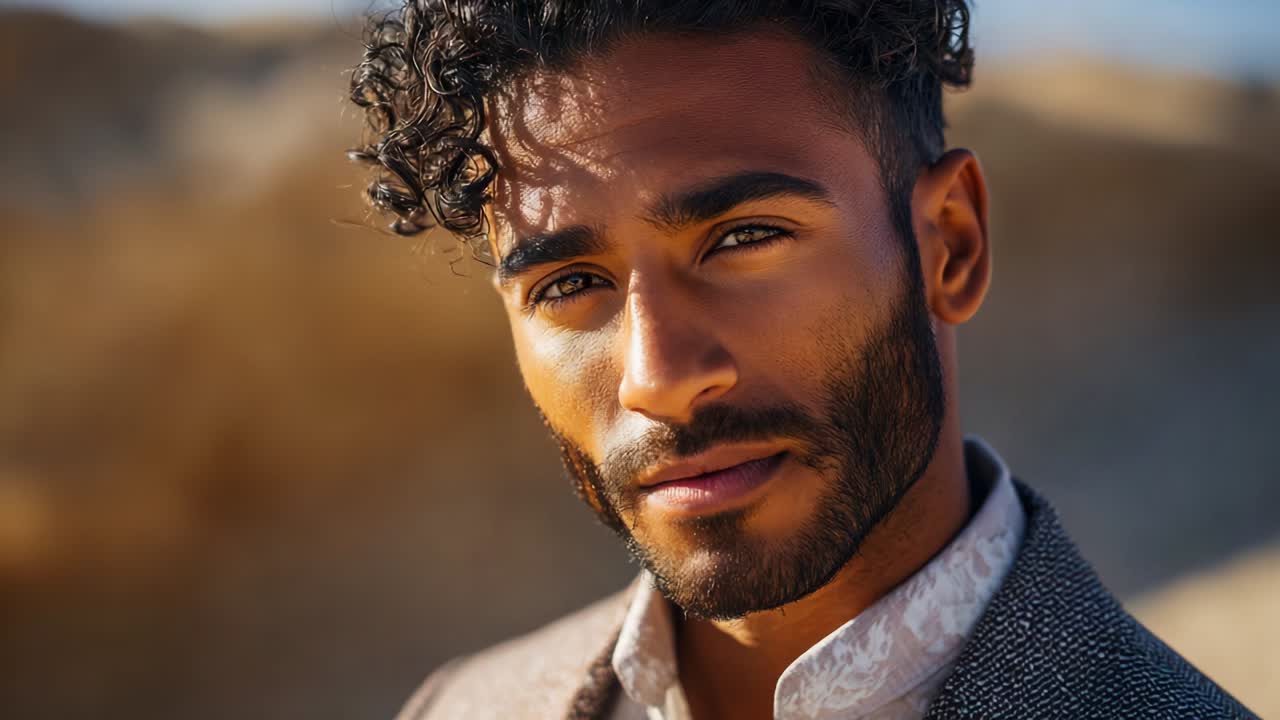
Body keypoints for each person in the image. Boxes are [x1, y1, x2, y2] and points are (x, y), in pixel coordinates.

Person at [347, 2, 1255, 718]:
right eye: (568, 283)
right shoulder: (461, 707)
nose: (658, 378)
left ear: (950, 244)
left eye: (743, 237)